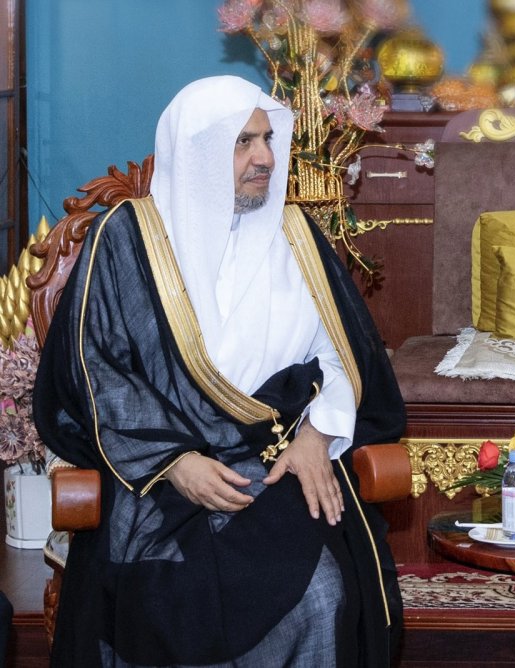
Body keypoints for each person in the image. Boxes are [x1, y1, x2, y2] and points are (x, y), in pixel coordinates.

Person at [33, 76, 406, 666]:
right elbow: (97, 372)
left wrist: (318, 435)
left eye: (265, 139)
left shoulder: (297, 238)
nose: (263, 157)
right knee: (160, 599)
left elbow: (344, 355)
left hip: (276, 466)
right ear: (197, 151)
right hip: (159, 479)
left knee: (321, 597)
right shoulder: (126, 242)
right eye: (242, 143)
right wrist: (175, 463)